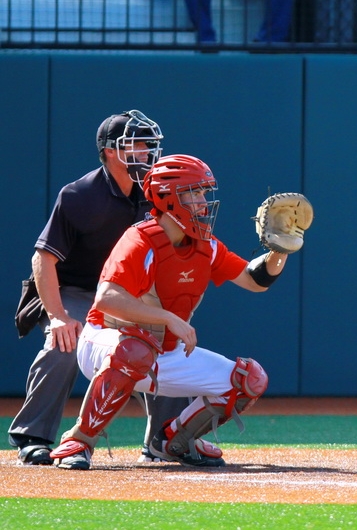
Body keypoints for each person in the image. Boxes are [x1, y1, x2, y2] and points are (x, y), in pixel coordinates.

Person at [49, 154, 292, 470]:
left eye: (205, 192)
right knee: (136, 349)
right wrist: (168, 318)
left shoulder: (206, 244)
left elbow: (256, 280)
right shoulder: (140, 240)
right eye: (195, 192)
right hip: (105, 342)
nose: (204, 201)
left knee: (249, 380)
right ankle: (77, 442)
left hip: (163, 352)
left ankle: (173, 441)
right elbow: (107, 298)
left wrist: (280, 250)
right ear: (168, 198)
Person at [8, 110, 221, 466]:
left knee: (163, 346)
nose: (147, 152)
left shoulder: (159, 189)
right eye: (137, 144)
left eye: (150, 145)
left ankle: (165, 440)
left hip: (131, 291)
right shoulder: (79, 194)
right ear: (110, 151)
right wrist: (59, 317)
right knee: (64, 342)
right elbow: (42, 260)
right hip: (77, 289)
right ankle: (34, 435)